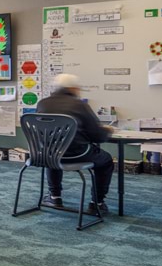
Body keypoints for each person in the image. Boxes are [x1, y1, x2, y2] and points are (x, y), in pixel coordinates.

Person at [35, 73, 115, 214]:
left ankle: (54, 197)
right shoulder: (80, 105)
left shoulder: (43, 103)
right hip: (78, 154)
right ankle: (97, 203)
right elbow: (97, 135)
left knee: (54, 151)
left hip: (47, 155)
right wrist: (108, 131)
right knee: (106, 160)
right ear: (72, 88)